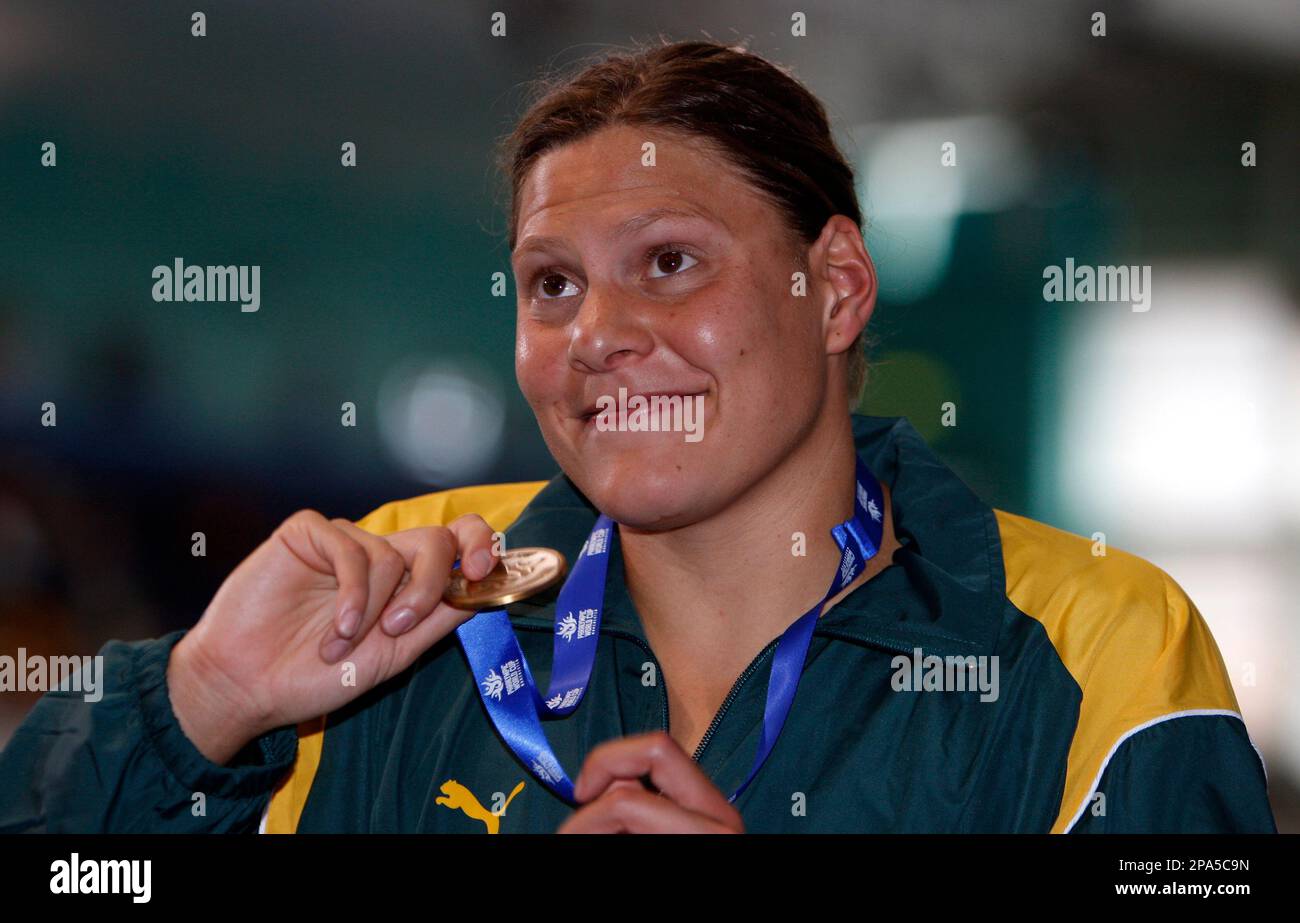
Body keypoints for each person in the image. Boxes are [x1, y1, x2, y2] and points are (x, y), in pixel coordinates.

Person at [0, 40, 1275, 834]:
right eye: (551, 284)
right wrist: (199, 702)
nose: (597, 333)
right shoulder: (399, 600)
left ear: (832, 288)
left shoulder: (1100, 642)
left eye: (669, 262)